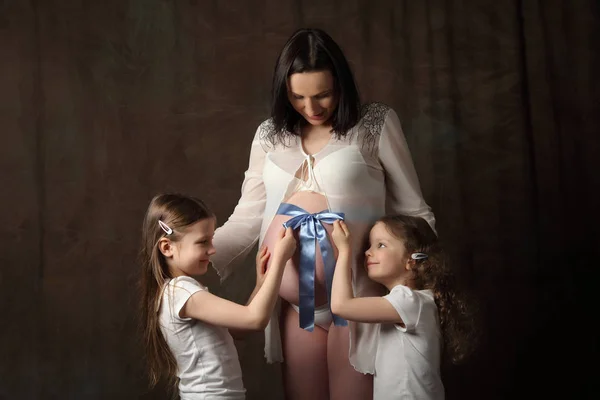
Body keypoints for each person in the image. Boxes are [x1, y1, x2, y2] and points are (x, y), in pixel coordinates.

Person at [211, 28, 435, 399]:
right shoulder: (269, 136)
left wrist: (419, 283)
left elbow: (415, 211)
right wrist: (188, 251)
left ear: (341, 85)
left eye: (323, 95)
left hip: (359, 301)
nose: (311, 108)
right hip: (299, 308)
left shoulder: (374, 124)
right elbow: (246, 219)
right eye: (297, 97)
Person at [139, 193, 296, 399]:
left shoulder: (176, 292)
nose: (212, 249)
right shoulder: (183, 292)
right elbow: (255, 319)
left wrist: (260, 285)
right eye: (203, 242)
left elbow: (239, 330)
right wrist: (280, 262)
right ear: (167, 247)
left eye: (211, 240)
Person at [330, 216, 476, 400]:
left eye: (380, 245)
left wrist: (344, 250)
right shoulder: (417, 302)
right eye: (369, 245)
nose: (367, 252)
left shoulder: (410, 301)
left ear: (411, 260)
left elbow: (340, 305)